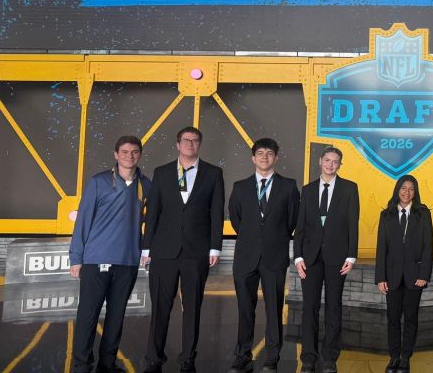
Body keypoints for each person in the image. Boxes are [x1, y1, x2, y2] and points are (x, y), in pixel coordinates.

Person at [141, 126, 225, 373]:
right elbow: (153, 212)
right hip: (163, 251)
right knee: (160, 307)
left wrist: (215, 247)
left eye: (195, 140)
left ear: (199, 144)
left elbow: (216, 213)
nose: (190, 144)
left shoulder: (213, 173)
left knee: (192, 307)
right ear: (177, 145)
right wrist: (146, 249)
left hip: (196, 252)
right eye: (186, 140)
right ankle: (153, 358)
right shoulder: (162, 172)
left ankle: (188, 358)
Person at [69, 135, 151, 373]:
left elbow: (153, 221)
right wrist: (77, 258)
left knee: (116, 316)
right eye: (124, 152)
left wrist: (147, 251)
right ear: (116, 155)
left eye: (134, 152)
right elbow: (83, 221)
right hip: (96, 259)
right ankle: (82, 365)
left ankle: (107, 364)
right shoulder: (98, 182)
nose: (129, 156)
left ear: (140, 155)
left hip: (127, 261)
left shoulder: (146, 185)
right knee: (88, 315)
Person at [228, 138, 301, 373]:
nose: (265, 157)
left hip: (274, 257)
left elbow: (292, 221)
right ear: (253, 158)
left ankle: (272, 357)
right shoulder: (239, 187)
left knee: (274, 308)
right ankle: (242, 354)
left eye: (270, 153)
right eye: (260, 153)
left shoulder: (289, 186)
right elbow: (237, 220)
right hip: (245, 257)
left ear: (276, 158)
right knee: (244, 308)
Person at [293, 146, 360, 373]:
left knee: (334, 306)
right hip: (310, 258)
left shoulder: (350, 188)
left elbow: (353, 224)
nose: (331, 164)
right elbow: (300, 227)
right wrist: (298, 256)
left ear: (340, 164)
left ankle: (330, 356)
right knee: (309, 307)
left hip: (337, 257)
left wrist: (351, 255)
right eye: (328, 160)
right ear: (320, 161)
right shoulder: (308, 189)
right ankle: (308, 357)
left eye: (336, 161)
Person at [375, 175, 433, 373]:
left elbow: (428, 246)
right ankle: (394, 356)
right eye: (403, 188)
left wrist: (424, 273)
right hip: (391, 276)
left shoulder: (423, 214)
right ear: (397, 190)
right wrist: (380, 277)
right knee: (392, 318)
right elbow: (381, 248)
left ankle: (406, 357)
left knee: (410, 318)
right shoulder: (387, 214)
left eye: (411, 189)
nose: (407, 192)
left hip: (415, 275)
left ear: (415, 192)